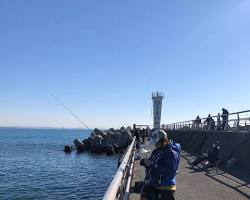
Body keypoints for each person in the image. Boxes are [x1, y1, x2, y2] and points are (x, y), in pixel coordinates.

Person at [140, 130, 181, 200]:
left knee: (146, 191)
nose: (155, 145)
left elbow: (168, 173)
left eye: (157, 143)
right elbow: (151, 162)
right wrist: (144, 162)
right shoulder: (157, 151)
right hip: (153, 183)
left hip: (165, 187)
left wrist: (151, 165)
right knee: (144, 190)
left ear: (164, 141)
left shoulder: (171, 154)